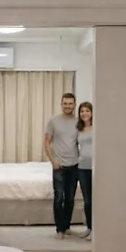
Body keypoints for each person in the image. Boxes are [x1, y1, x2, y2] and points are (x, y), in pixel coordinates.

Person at [45, 92, 80, 238]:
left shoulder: (79, 122)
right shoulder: (53, 121)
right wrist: (53, 161)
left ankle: (66, 227)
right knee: (59, 197)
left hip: (74, 165)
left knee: (70, 199)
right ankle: (59, 229)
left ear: (74, 105)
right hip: (58, 165)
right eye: (65, 103)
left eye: (70, 104)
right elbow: (47, 141)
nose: (68, 106)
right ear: (61, 104)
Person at [77, 102, 93, 240]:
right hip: (82, 167)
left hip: (95, 167)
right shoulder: (79, 129)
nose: (84, 114)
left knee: (96, 200)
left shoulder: (97, 127)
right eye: (82, 111)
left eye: (87, 111)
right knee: (87, 200)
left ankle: (96, 229)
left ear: (92, 113)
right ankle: (89, 227)